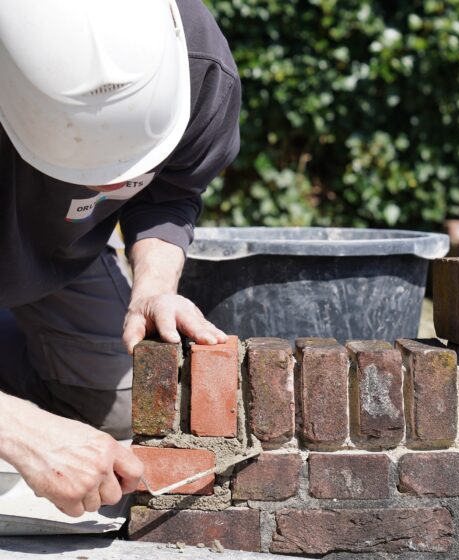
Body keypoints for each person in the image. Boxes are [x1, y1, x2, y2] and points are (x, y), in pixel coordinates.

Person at [0, 0, 241, 518]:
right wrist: (24, 433)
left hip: (49, 252)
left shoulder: (196, 65)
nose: (111, 185)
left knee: (113, 412)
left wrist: (154, 285)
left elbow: (171, 188)